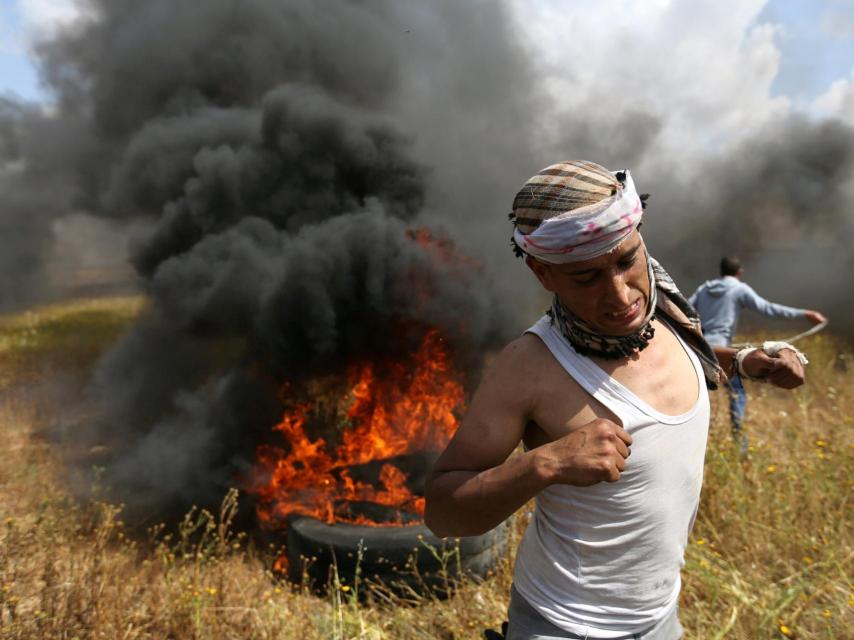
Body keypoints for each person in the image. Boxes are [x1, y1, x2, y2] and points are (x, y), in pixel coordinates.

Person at [424, 160, 806, 640]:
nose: (620, 294)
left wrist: (751, 360)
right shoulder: (530, 366)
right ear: (544, 272)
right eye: (586, 279)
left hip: (661, 618)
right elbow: (441, 512)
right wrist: (546, 463)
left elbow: (695, 359)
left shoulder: (664, 316)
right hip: (566, 627)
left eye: (627, 261)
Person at [689, 256, 826, 450]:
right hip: (724, 353)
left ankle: (694, 442)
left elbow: (683, 309)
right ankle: (740, 446)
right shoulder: (739, 289)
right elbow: (769, 309)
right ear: (739, 273)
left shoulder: (704, 289)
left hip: (699, 348)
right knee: (737, 394)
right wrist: (806, 314)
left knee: (695, 395)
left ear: (721, 271)